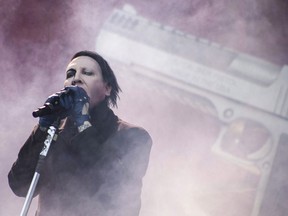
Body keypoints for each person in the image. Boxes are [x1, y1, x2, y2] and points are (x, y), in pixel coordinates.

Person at [8, 50, 152, 216]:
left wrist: (82, 121)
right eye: (70, 74)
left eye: (87, 73)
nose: (75, 78)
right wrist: (42, 130)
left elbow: (118, 198)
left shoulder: (132, 136)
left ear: (107, 88)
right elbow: (20, 186)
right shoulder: (55, 130)